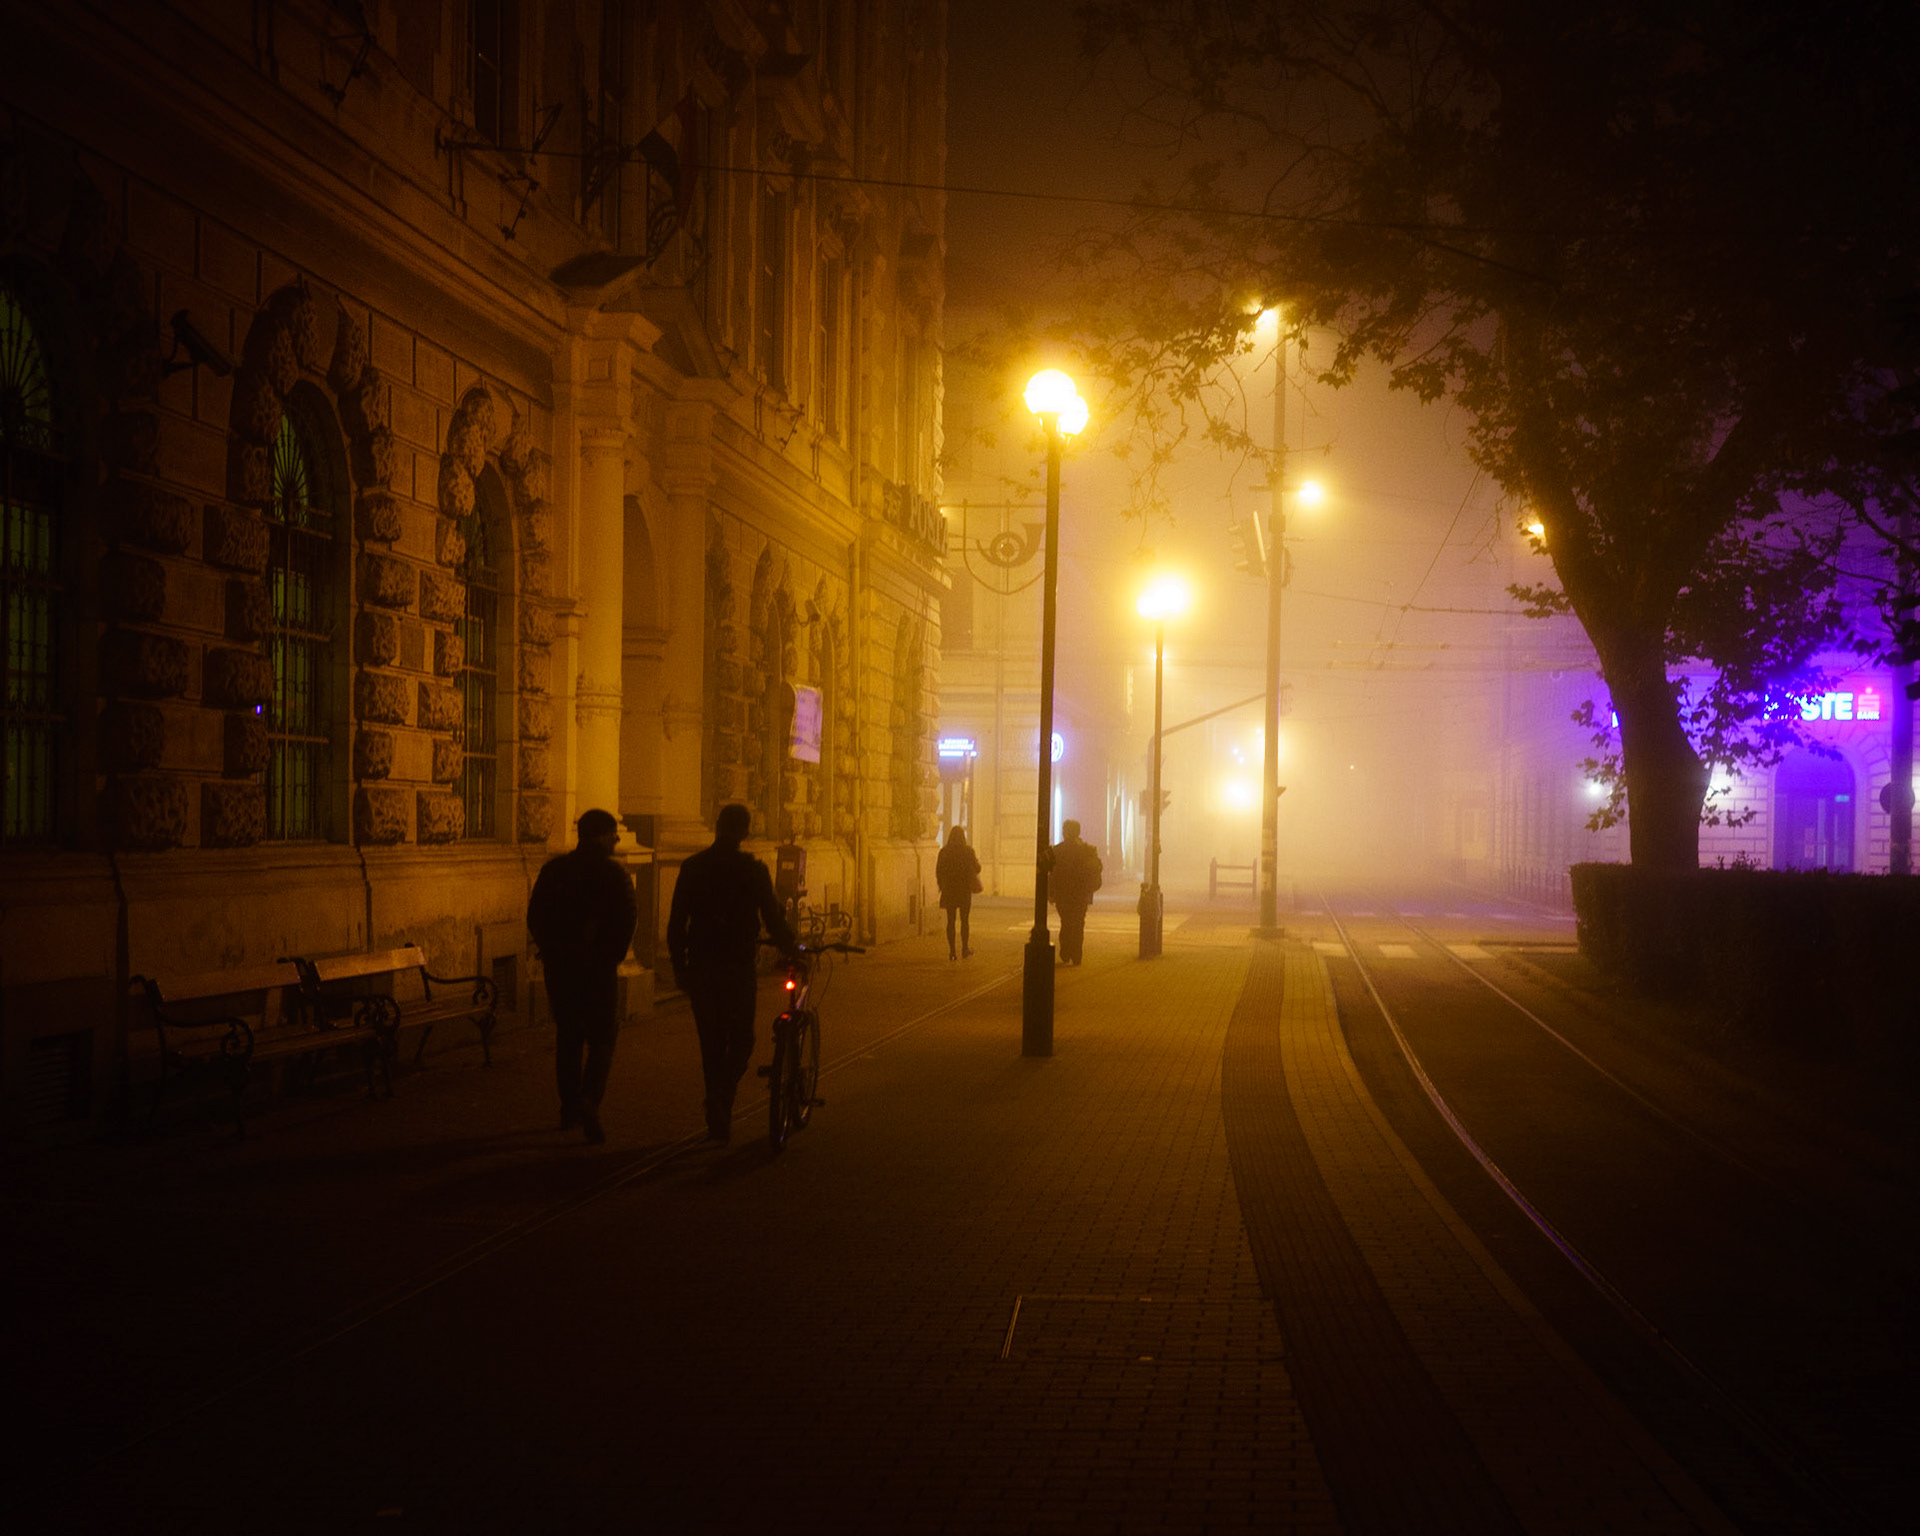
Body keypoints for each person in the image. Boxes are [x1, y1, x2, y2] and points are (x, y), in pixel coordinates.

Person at [667, 803, 797, 1143]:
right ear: (745, 832)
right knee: (742, 1038)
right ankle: (721, 1098)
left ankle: (718, 1109)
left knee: (711, 1042)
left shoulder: (693, 867)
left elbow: (677, 922)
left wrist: (679, 966)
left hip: (701, 965)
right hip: (738, 966)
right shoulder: (751, 870)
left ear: (717, 827)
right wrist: (791, 947)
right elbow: (771, 915)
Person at [527, 808, 637, 1145]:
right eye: (613, 833)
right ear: (601, 836)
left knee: (569, 1037)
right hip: (598, 971)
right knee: (603, 1038)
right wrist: (609, 957)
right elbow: (626, 922)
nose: (617, 840)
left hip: (561, 970)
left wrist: (553, 950)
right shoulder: (614, 875)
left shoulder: (555, 871)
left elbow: (536, 917)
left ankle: (569, 1108)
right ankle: (590, 1098)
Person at [1048, 819, 1104, 966]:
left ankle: (1066, 952)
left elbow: (1053, 874)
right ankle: (1077, 955)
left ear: (1065, 832)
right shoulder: (1088, 850)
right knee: (1079, 923)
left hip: (1063, 894)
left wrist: (1051, 893)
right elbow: (1097, 869)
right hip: (1081, 894)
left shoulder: (1058, 850)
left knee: (1066, 922)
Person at [935, 825, 982, 959]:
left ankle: (952, 952)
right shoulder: (968, 851)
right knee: (964, 921)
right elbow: (977, 868)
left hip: (949, 890)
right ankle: (964, 949)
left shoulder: (944, 852)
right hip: (964, 891)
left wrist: (941, 885)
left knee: (950, 921)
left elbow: (939, 871)